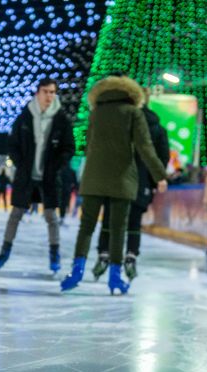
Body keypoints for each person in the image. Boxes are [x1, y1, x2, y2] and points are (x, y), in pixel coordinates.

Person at [60, 74, 168, 295]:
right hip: (122, 178)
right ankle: (115, 278)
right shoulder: (133, 113)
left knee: (86, 226)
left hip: (93, 177)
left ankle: (76, 271)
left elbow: (88, 145)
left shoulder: (95, 113)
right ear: (132, 93)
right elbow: (145, 148)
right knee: (119, 229)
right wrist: (160, 175)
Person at [0, 77, 75, 273]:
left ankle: (54, 255)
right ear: (38, 93)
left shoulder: (61, 119)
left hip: (49, 177)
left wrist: (57, 166)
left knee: (51, 217)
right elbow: (12, 144)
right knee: (16, 214)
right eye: (46, 91)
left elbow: (69, 147)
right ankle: (4, 251)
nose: (49, 96)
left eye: (53, 92)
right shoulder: (25, 117)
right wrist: (21, 164)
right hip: (26, 176)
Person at [91, 87, 170, 281]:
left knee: (110, 216)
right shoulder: (157, 127)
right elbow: (162, 157)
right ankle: (131, 255)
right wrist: (155, 179)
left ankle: (104, 253)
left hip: (116, 179)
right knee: (134, 220)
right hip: (141, 180)